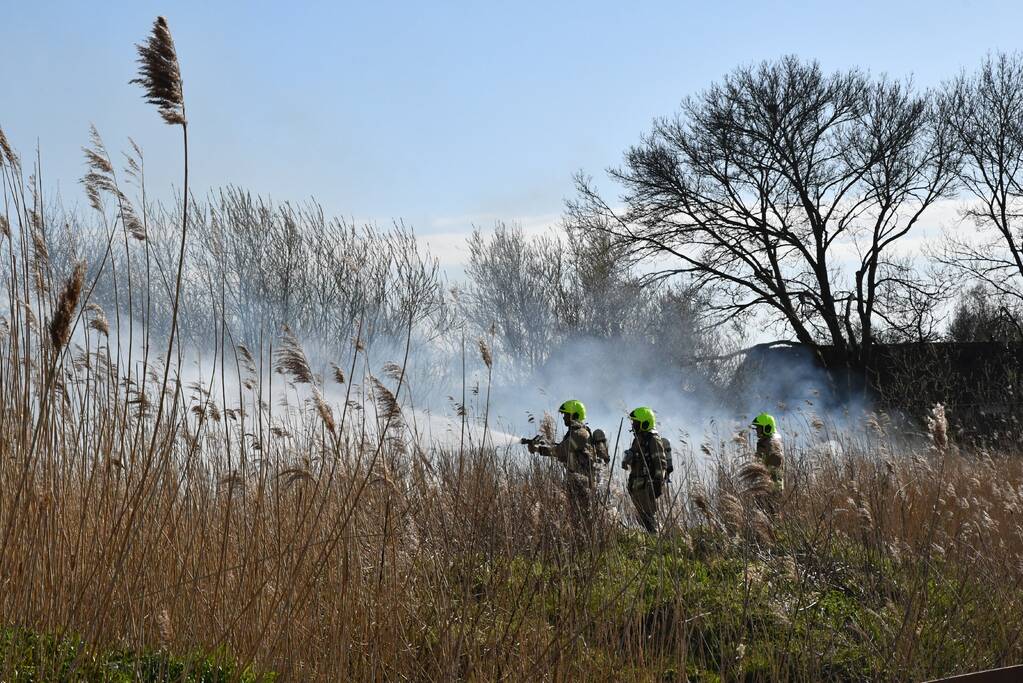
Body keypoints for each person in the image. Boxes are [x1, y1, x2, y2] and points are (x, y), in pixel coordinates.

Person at [526, 399, 600, 534]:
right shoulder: (573, 433)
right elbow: (562, 449)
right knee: (576, 516)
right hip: (576, 480)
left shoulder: (580, 434)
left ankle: (587, 541)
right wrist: (541, 445)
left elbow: (561, 451)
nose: (564, 417)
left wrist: (539, 450)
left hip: (582, 481)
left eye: (566, 414)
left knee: (583, 515)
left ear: (575, 415)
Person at [621, 406, 666, 534]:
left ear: (644, 423)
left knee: (649, 518)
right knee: (642, 518)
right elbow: (636, 455)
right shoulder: (639, 439)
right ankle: (650, 540)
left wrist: (657, 484)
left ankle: (656, 540)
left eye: (636, 422)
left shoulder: (653, 440)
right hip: (637, 485)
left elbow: (660, 464)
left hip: (647, 486)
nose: (634, 425)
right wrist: (628, 459)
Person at [751, 412, 784, 496]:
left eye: (759, 427)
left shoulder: (772, 444)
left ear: (767, 428)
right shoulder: (766, 442)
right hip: (765, 488)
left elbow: (774, 469)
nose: (756, 430)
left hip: (771, 491)